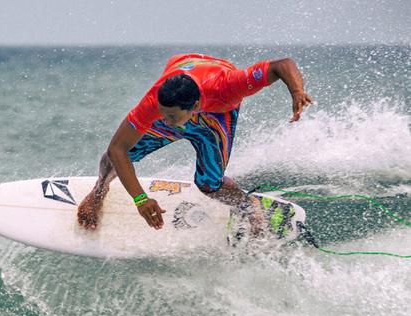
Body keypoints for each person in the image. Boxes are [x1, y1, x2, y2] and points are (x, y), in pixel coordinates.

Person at [77, 53, 312, 231]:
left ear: (195, 107)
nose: (164, 122)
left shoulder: (229, 85)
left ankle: (248, 206)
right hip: (186, 72)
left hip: (217, 114)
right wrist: (141, 198)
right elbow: (118, 149)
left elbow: (282, 65)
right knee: (115, 156)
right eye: (162, 114)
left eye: (170, 118)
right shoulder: (156, 103)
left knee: (209, 184)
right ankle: (99, 191)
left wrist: (296, 92)